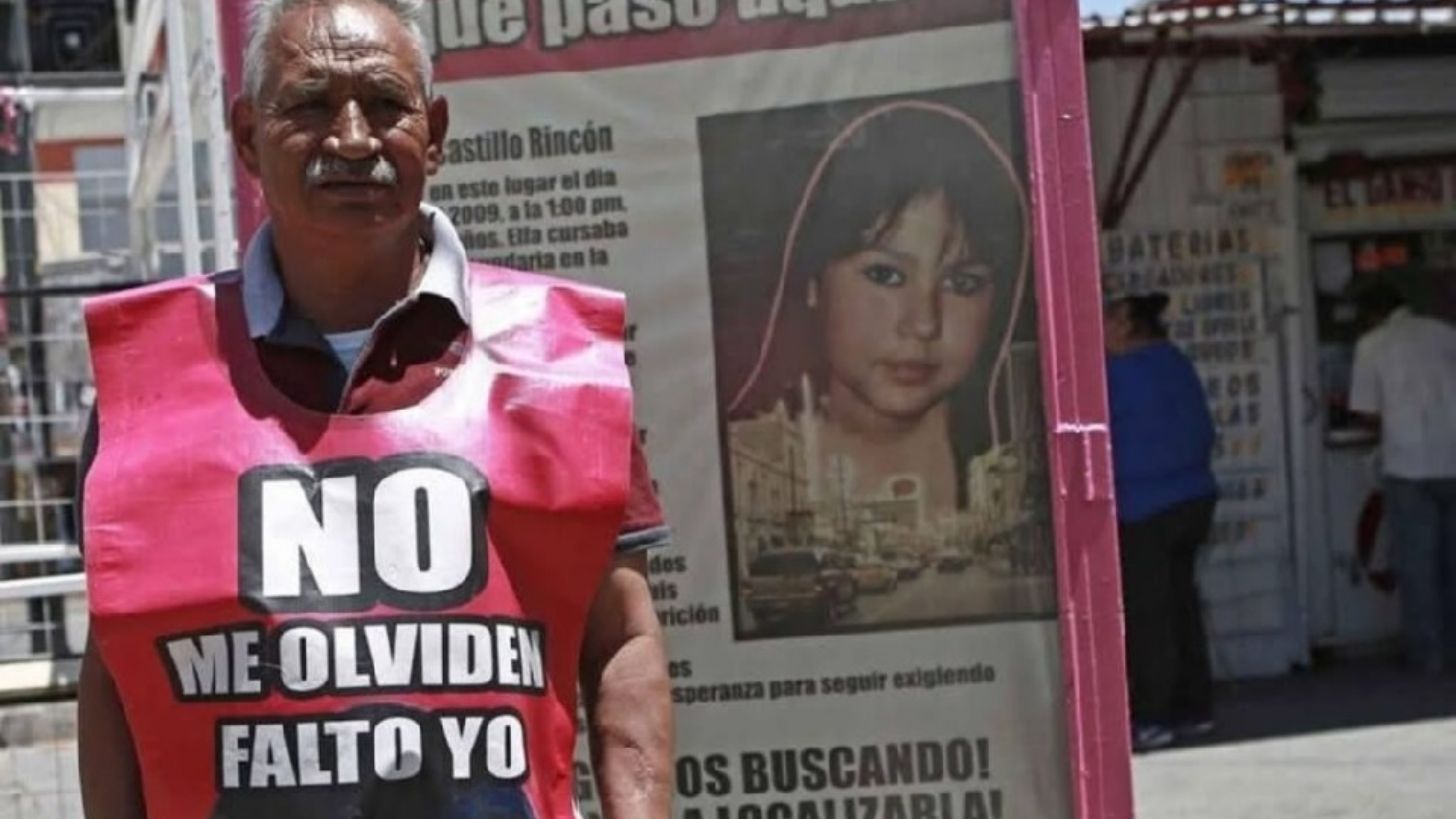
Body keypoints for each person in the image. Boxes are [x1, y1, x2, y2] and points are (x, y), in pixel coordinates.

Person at [74, 2, 673, 818]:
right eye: (311, 104)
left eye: (386, 104)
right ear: (247, 136)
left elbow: (623, 641)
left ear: (435, 132)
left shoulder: (561, 363)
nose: (353, 139)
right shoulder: (151, 378)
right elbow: (115, 668)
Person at [728, 103, 1029, 515]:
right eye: (886, 275)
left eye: (962, 284)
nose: (923, 323)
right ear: (814, 282)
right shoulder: (736, 461)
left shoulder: (1026, 467)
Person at [1103, 293, 1218, 752]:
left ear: (1127, 325)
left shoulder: (1116, 374)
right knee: (1181, 604)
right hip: (1194, 497)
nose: (1099, 330)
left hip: (1144, 505)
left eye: (1107, 319)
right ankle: (1195, 706)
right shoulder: (1175, 362)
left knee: (1148, 615)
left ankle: (1152, 715)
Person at [1349, 270, 1456, 675]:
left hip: (1409, 465)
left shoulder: (1372, 345)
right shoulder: (1446, 334)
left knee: (1418, 565)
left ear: (1372, 314)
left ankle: (1429, 654)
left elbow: (1367, 413)